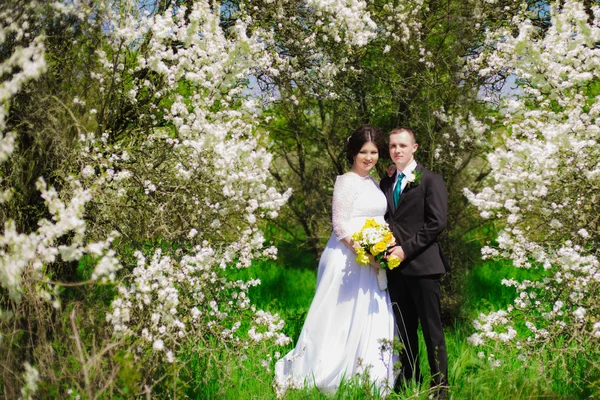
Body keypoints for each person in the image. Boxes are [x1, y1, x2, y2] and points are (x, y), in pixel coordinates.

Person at [274, 125, 397, 397]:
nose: (369, 157)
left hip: (374, 256)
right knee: (340, 314)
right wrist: (365, 252)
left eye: (374, 152)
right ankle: (326, 368)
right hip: (349, 258)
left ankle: (367, 372)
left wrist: (380, 252)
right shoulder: (346, 181)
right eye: (363, 152)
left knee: (371, 312)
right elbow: (340, 225)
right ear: (353, 153)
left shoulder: (374, 181)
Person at [380, 127, 449, 397]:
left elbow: (437, 223)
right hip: (395, 271)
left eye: (403, 146)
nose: (397, 150)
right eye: (393, 146)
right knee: (404, 329)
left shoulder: (430, 180)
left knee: (432, 330)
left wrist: (404, 250)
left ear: (415, 148)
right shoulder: (386, 182)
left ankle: (440, 386)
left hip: (424, 267)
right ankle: (410, 378)